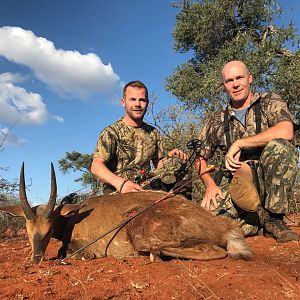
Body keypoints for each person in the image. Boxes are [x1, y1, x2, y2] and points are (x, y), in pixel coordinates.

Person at [196, 60, 299, 242]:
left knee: (280, 147)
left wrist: (240, 143)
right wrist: (210, 185)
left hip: (268, 181)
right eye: (229, 81)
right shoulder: (216, 120)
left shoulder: (270, 100)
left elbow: (286, 130)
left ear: (249, 78)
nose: (235, 84)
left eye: (239, 78)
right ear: (224, 85)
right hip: (238, 182)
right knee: (209, 222)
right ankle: (258, 221)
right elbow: (199, 158)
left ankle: (275, 218)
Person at [91, 80, 188, 195]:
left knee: (180, 162)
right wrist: (121, 184)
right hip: (117, 193)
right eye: (132, 99)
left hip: (145, 189)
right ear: (123, 102)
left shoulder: (153, 132)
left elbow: (159, 165)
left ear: (147, 103)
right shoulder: (111, 132)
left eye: (142, 100)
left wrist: (171, 157)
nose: (137, 104)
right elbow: (96, 166)